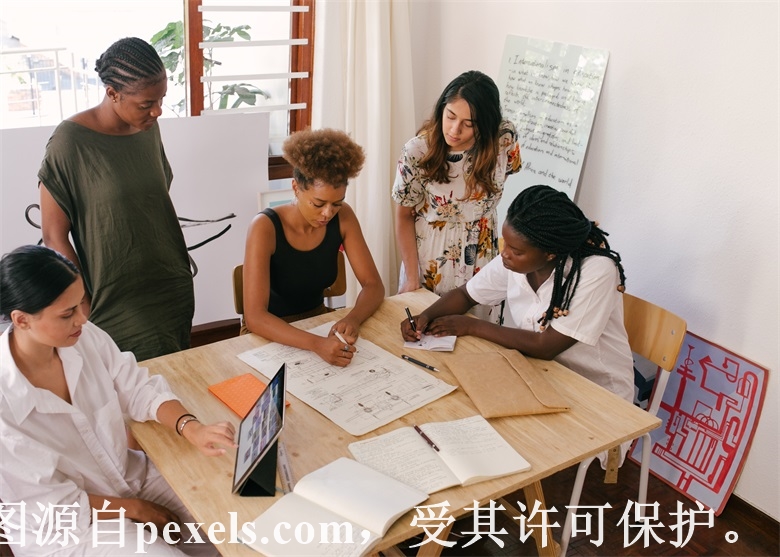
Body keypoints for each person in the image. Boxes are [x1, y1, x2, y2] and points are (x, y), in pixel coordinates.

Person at [0, 245, 236, 556]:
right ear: (21, 320)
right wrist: (137, 509)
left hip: (127, 478)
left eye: (81, 303)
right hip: (65, 528)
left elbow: (137, 388)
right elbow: (53, 505)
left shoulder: (83, 336)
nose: (82, 318)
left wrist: (191, 427)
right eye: (67, 314)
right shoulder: (5, 404)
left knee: (229, 521)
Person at [401, 185, 634, 407]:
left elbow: (545, 346)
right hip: (543, 376)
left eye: (516, 251)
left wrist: (471, 326)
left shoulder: (596, 271)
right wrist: (425, 317)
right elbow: (466, 295)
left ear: (550, 253)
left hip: (598, 394)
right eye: (507, 244)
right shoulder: (516, 261)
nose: (505, 254)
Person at [38, 37, 194, 362]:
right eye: (146, 104)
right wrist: (81, 302)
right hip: (114, 298)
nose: (157, 111)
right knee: (127, 383)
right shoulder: (70, 142)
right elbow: (54, 236)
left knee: (175, 377)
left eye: (161, 99)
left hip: (170, 284)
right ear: (112, 93)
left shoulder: (147, 128)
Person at [242, 128, 384, 367]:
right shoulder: (265, 227)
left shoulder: (344, 217)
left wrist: (353, 319)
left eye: (336, 203)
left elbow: (373, 285)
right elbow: (255, 317)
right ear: (296, 188)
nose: (328, 213)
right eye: (318, 204)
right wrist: (317, 344)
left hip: (317, 322)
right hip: (269, 333)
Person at [392, 70, 522, 321]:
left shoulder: (504, 139)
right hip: (432, 259)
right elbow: (403, 215)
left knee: (480, 334)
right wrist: (411, 277)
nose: (454, 129)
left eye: (468, 124)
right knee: (427, 331)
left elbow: (502, 178)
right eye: (450, 116)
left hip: (483, 256)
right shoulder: (417, 151)